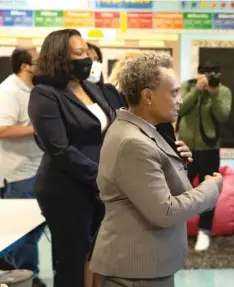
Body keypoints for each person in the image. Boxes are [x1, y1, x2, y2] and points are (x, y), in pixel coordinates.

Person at [89, 53, 222, 287]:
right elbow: (165, 211)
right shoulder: (134, 142)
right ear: (148, 96)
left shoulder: (140, 130)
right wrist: (210, 189)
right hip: (136, 269)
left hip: (146, 265)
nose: (180, 100)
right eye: (173, 93)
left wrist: (176, 162)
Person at [28, 29, 115, 287]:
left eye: (87, 51)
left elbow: (111, 128)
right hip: (66, 190)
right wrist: (102, 178)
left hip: (99, 188)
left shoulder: (91, 88)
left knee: (98, 257)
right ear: (59, 57)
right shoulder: (44, 94)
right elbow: (59, 150)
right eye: (79, 53)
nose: (87, 57)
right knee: (72, 262)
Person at [0, 47, 46, 287]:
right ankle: (28, 277)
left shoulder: (33, 90)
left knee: (36, 227)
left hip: (37, 167)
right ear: (26, 66)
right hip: (19, 172)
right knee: (24, 235)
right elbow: (3, 129)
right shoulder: (9, 91)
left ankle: (17, 271)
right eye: (37, 60)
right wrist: (39, 129)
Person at [178, 60, 232, 251]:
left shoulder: (223, 91)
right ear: (198, 74)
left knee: (208, 191)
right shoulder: (187, 85)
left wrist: (214, 95)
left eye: (213, 73)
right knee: (178, 189)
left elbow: (223, 116)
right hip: (185, 149)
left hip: (209, 149)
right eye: (205, 73)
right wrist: (197, 91)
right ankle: (176, 230)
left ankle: (204, 231)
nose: (209, 77)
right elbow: (179, 109)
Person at [87, 42, 124, 111]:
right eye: (88, 59)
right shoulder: (70, 95)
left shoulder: (110, 90)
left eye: (96, 59)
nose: (93, 63)